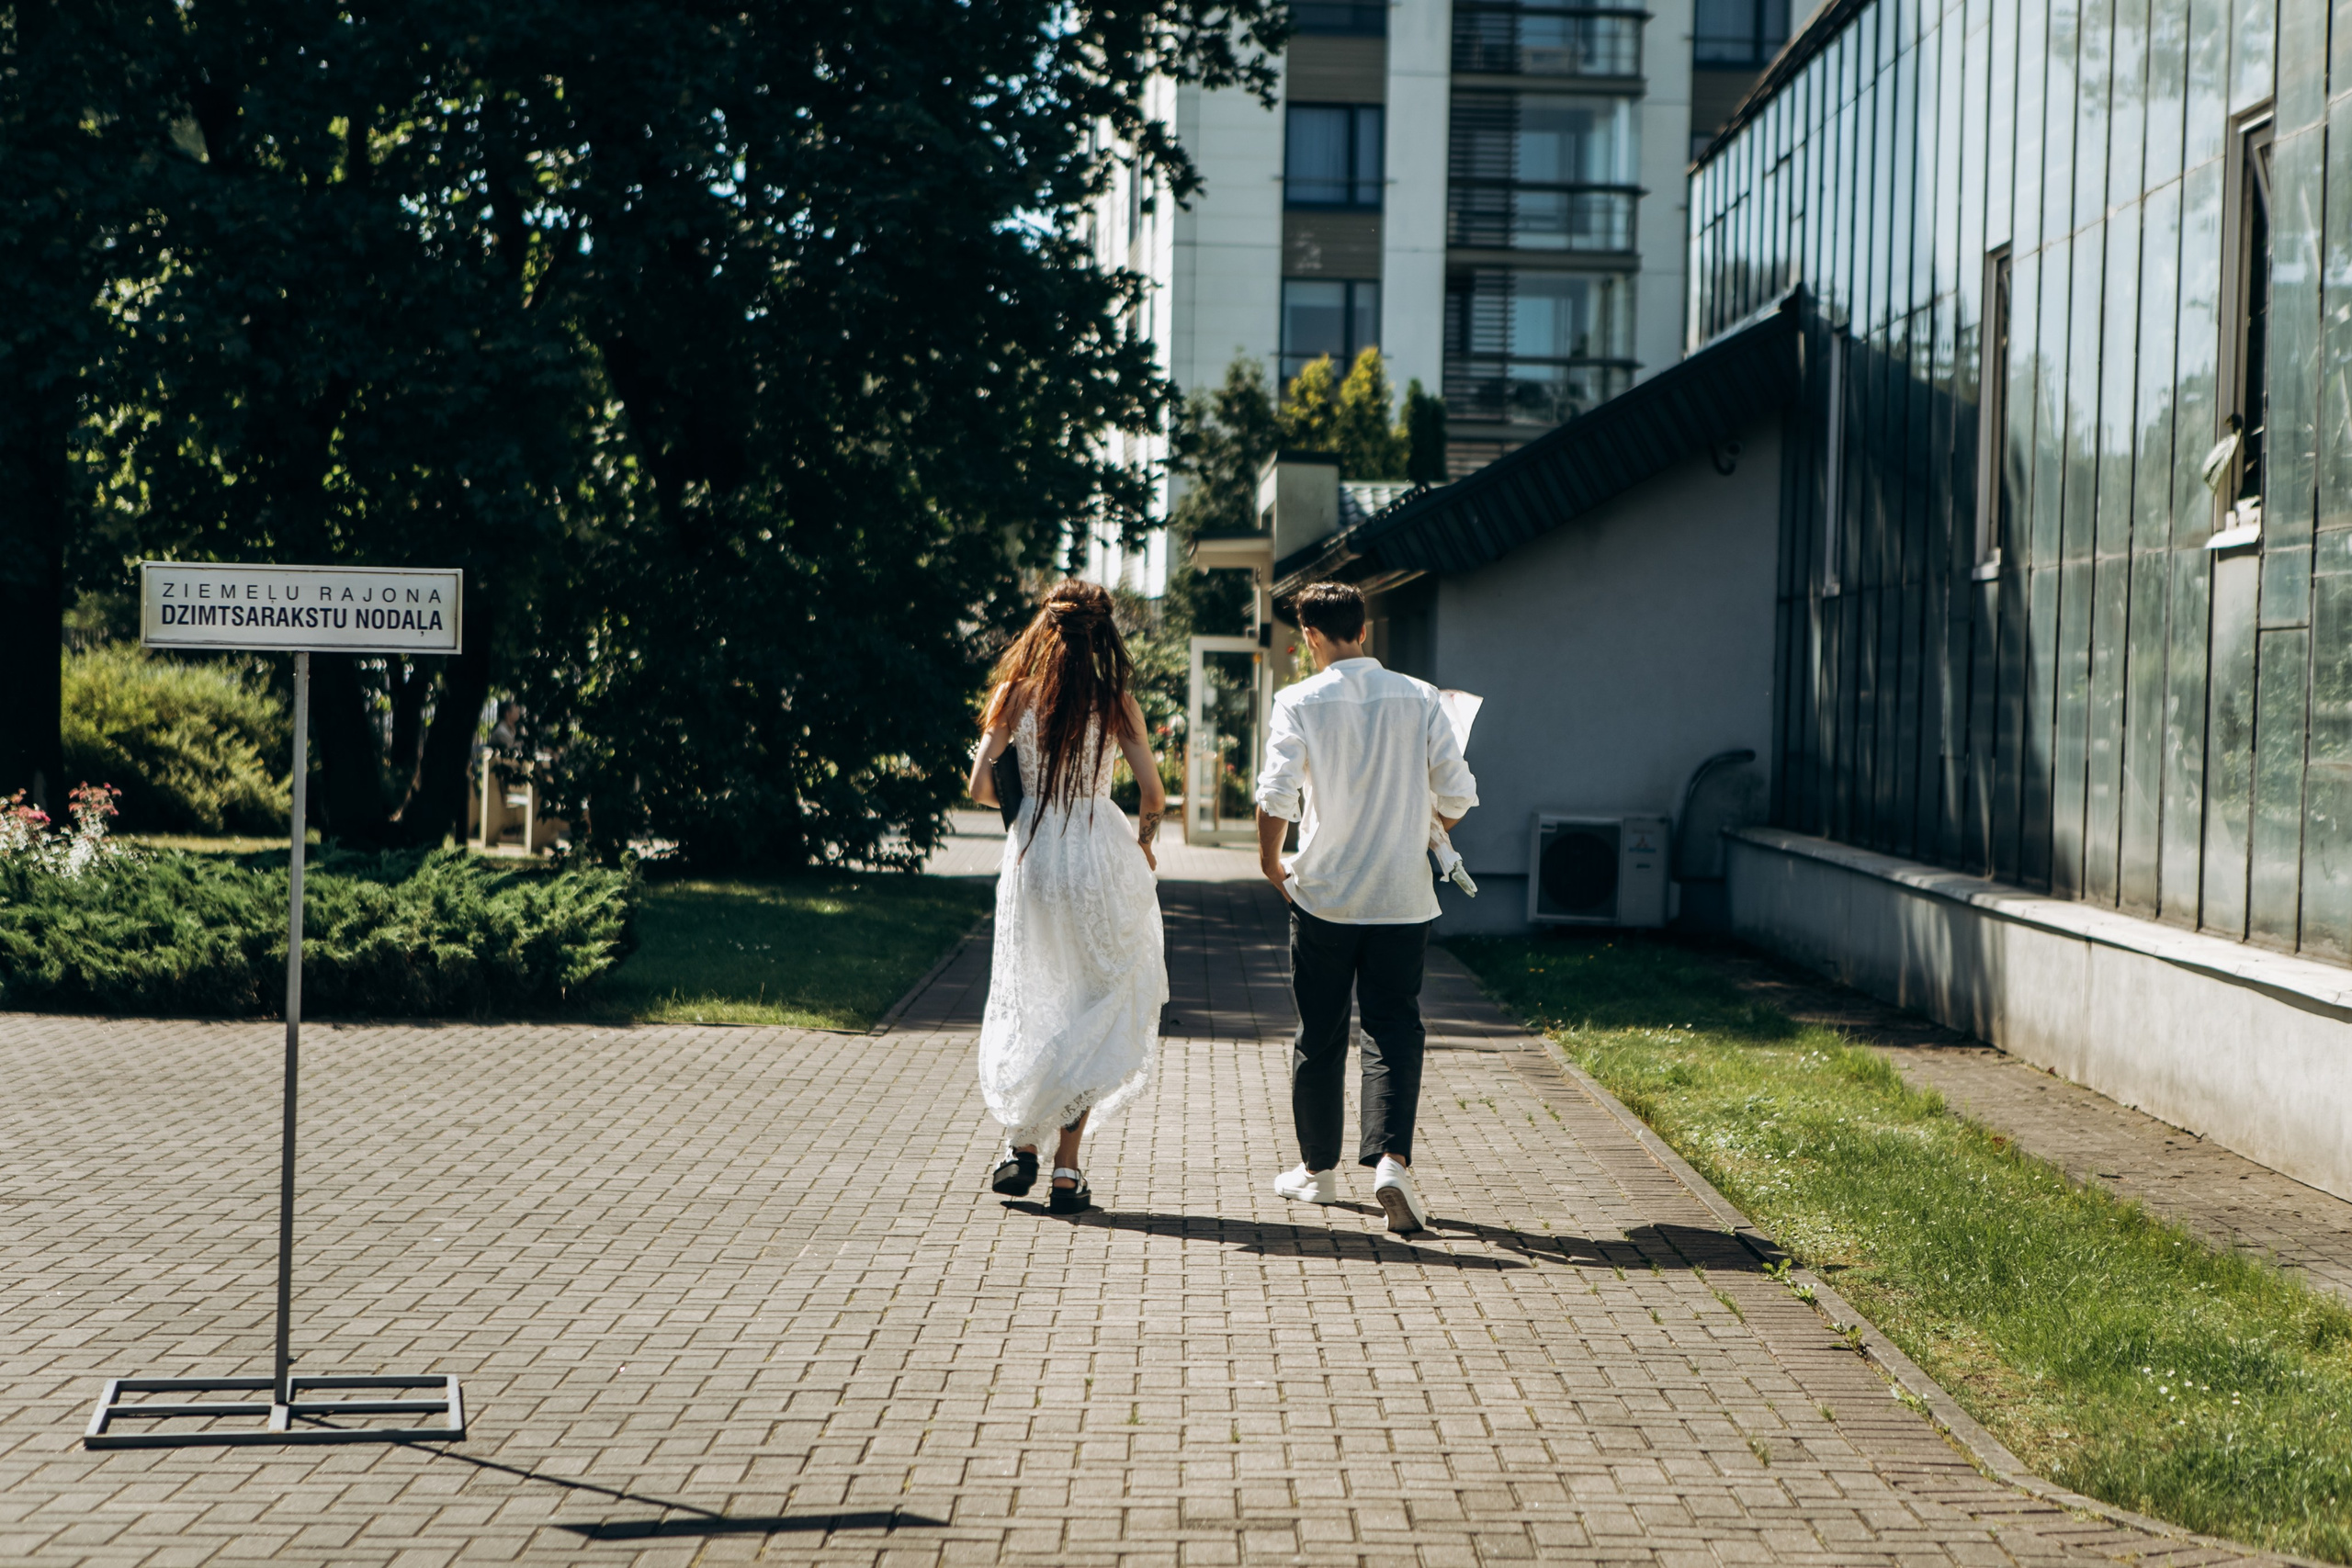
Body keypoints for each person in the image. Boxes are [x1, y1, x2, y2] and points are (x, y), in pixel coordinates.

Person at [1254, 581, 1477, 1234]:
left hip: (1323, 895)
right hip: (1403, 898)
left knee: (1319, 1032)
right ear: (1366, 631)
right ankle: (1391, 1162)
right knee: (1393, 1029)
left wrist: (1271, 864)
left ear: (1312, 638)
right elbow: (1458, 795)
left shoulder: (1298, 699)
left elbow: (1276, 793)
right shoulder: (1420, 697)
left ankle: (1318, 1173)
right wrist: (1421, 825)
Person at [967, 580, 1170, 1214]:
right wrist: (1144, 840)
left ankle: (1018, 1144)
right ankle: (1065, 1171)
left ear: (1044, 628)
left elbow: (979, 786)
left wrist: (1030, 810)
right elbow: (1154, 794)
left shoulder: (1012, 696)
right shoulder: (1118, 704)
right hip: (1098, 852)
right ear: (1103, 633)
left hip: (1033, 856)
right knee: (1094, 1004)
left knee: (1033, 995)